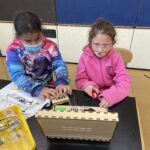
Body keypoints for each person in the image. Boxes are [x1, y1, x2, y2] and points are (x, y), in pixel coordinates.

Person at [6, 11, 71, 100]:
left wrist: (61, 82)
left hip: (49, 86)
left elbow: (59, 65)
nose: (34, 44)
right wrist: (37, 89)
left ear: (41, 32)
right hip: (26, 90)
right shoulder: (13, 50)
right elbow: (17, 75)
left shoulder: (50, 46)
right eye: (28, 41)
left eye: (37, 39)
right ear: (18, 37)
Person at [75, 18, 131, 108]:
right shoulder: (84, 57)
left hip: (112, 95)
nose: (100, 50)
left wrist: (111, 96)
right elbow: (80, 79)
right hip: (92, 95)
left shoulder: (116, 57)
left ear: (112, 43)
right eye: (96, 44)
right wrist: (87, 85)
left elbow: (124, 82)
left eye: (105, 45)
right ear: (90, 42)